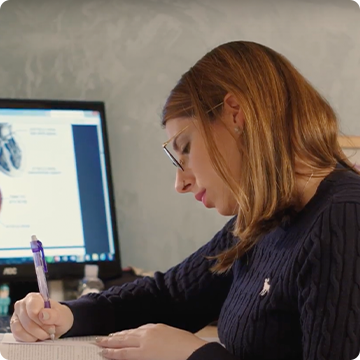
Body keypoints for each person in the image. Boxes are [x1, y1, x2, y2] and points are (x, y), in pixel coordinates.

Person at [10, 41, 360, 360]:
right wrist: (69, 313)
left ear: (235, 114)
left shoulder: (343, 218)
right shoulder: (263, 221)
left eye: (186, 149)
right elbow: (168, 298)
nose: (180, 183)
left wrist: (194, 355)